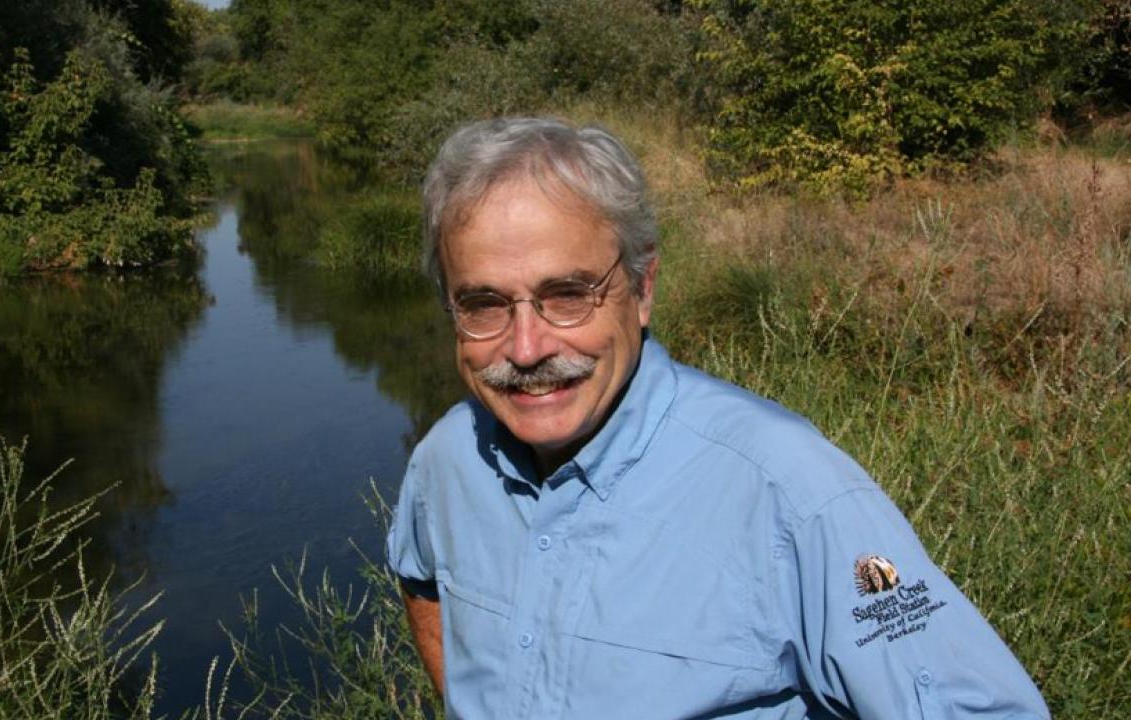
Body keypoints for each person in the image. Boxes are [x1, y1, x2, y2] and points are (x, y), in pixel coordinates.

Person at [386, 117, 1049, 719]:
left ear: (642, 289)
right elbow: (422, 580)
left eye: (567, 295)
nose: (527, 348)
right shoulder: (448, 458)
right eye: (483, 305)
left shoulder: (790, 490)